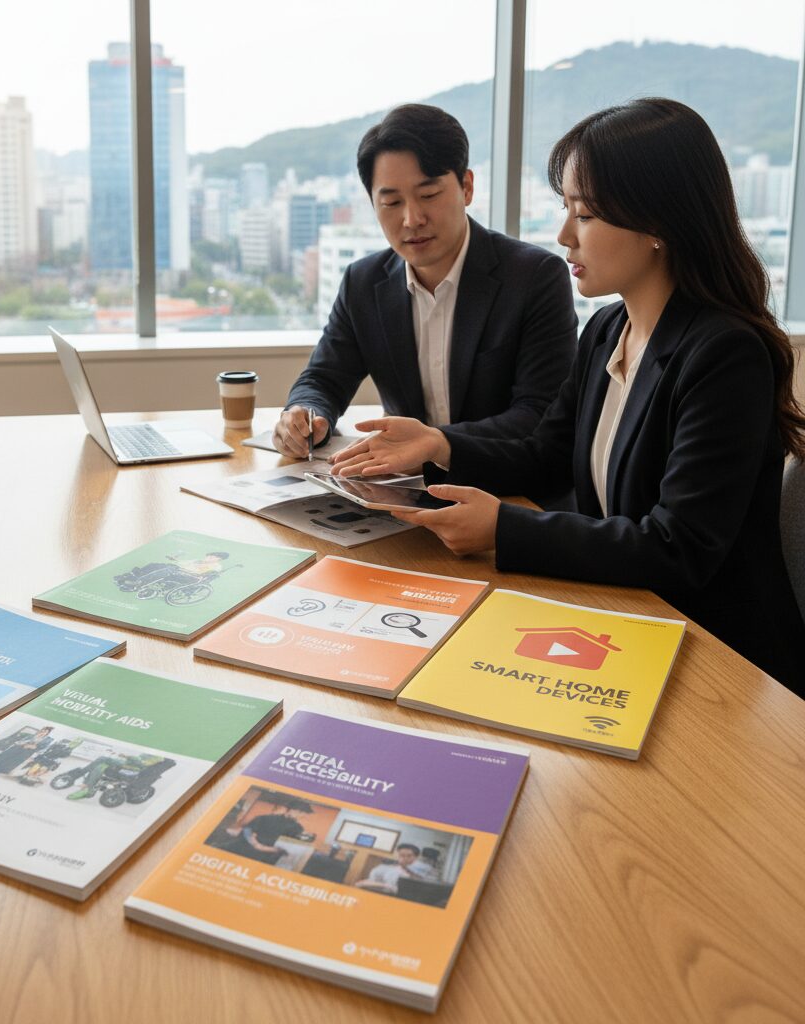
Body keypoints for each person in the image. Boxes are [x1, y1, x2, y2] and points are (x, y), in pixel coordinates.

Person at [331, 98, 805, 693]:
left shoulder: (725, 354)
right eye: (566, 210)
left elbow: (678, 547)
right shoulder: (608, 329)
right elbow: (544, 456)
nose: (563, 236)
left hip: (720, 659)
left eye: (584, 215)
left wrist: (504, 530)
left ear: (656, 222)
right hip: (627, 615)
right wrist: (438, 446)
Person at [272, 103, 576, 459]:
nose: (412, 219)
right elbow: (324, 378)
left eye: (428, 195)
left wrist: (433, 445)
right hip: (401, 482)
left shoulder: (534, 277)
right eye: (391, 202)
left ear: (466, 187)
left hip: (501, 481)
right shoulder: (363, 282)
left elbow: (540, 413)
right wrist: (306, 415)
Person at [355, 844, 422, 893]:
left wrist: (383, 885)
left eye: (409, 856)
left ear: (416, 857)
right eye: (402, 855)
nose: (404, 858)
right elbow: (366, 882)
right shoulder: (384, 868)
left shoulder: (416, 874)